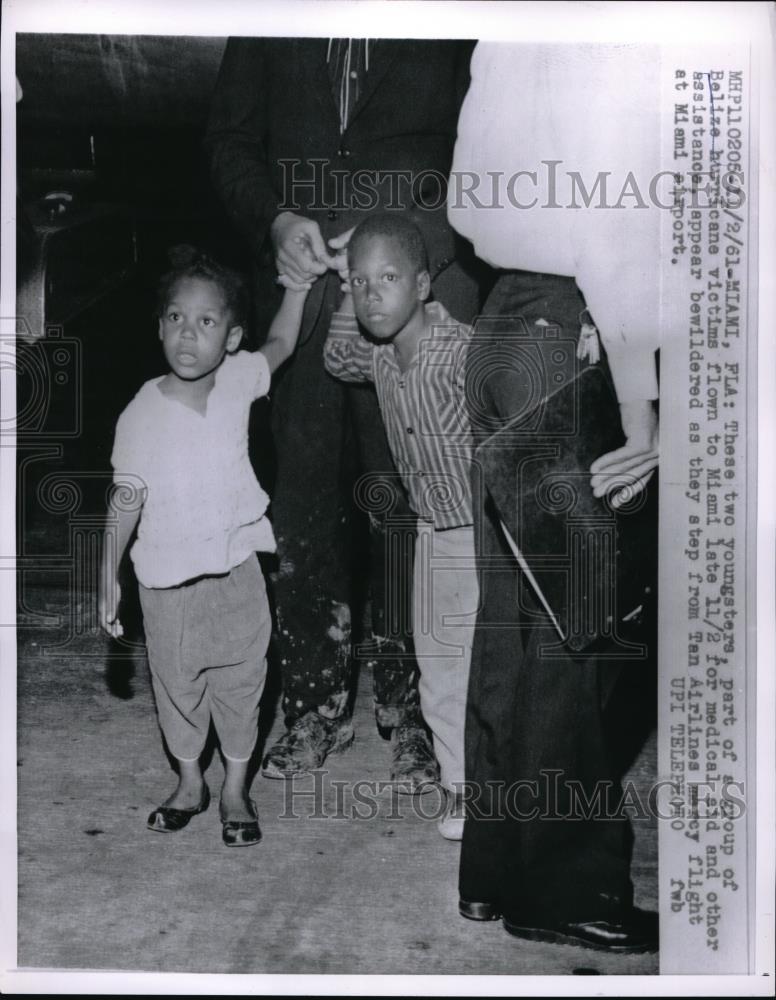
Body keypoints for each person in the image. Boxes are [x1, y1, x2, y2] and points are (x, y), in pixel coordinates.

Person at [204, 37, 486, 788]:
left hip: (414, 294)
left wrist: (403, 248)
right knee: (302, 506)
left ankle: (418, 716)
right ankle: (311, 705)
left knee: (415, 508)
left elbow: (486, 149)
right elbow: (229, 139)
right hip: (299, 298)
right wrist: (272, 220)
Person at [446, 42, 661, 951]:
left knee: (515, 624)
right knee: (579, 633)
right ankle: (567, 888)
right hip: (564, 327)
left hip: (501, 323)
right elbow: (610, 226)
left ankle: (495, 870)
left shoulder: (501, 40)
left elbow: (463, 198)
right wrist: (643, 409)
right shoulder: (597, 43)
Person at [97, 246, 311, 847]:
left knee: (244, 684)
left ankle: (236, 788)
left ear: (231, 336)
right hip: (166, 586)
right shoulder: (140, 412)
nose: (188, 334)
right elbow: (126, 499)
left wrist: (296, 288)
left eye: (206, 322)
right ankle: (190, 781)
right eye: (175, 318)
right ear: (159, 325)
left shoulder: (240, 378)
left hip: (237, 571)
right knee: (177, 689)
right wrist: (105, 574)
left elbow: (282, 345)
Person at [321, 214, 476, 840]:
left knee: (491, 669)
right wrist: (339, 281)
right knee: (438, 670)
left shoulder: (464, 349)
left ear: (422, 284)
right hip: (432, 536)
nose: (371, 295)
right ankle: (463, 791)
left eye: (387, 278)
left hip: (487, 534)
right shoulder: (377, 354)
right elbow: (336, 355)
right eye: (361, 283)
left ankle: (518, 788)